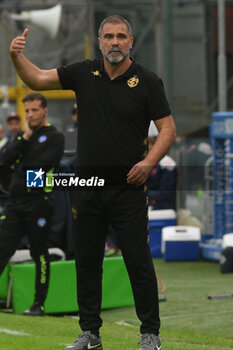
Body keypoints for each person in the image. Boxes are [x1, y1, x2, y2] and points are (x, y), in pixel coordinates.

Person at [9, 15, 176, 350]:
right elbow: (38, 80)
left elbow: (168, 130)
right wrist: (16, 56)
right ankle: (90, 334)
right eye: (109, 37)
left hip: (128, 188)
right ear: (100, 41)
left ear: (131, 42)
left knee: (137, 261)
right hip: (87, 188)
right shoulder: (83, 72)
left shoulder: (148, 81)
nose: (115, 42)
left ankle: (150, 334)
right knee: (87, 262)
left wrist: (148, 162)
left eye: (121, 37)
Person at [0, 93, 64, 316]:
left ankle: (39, 304)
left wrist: (18, 168)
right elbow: (3, 159)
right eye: (27, 111)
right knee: (2, 247)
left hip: (39, 204)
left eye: (34, 110)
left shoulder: (55, 137)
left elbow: (39, 171)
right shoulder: (22, 137)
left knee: (39, 252)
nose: (30, 115)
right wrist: (24, 137)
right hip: (14, 205)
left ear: (44, 111)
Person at [147, 136, 177, 210]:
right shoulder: (144, 162)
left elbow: (166, 193)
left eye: (148, 144)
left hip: (163, 209)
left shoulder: (165, 163)